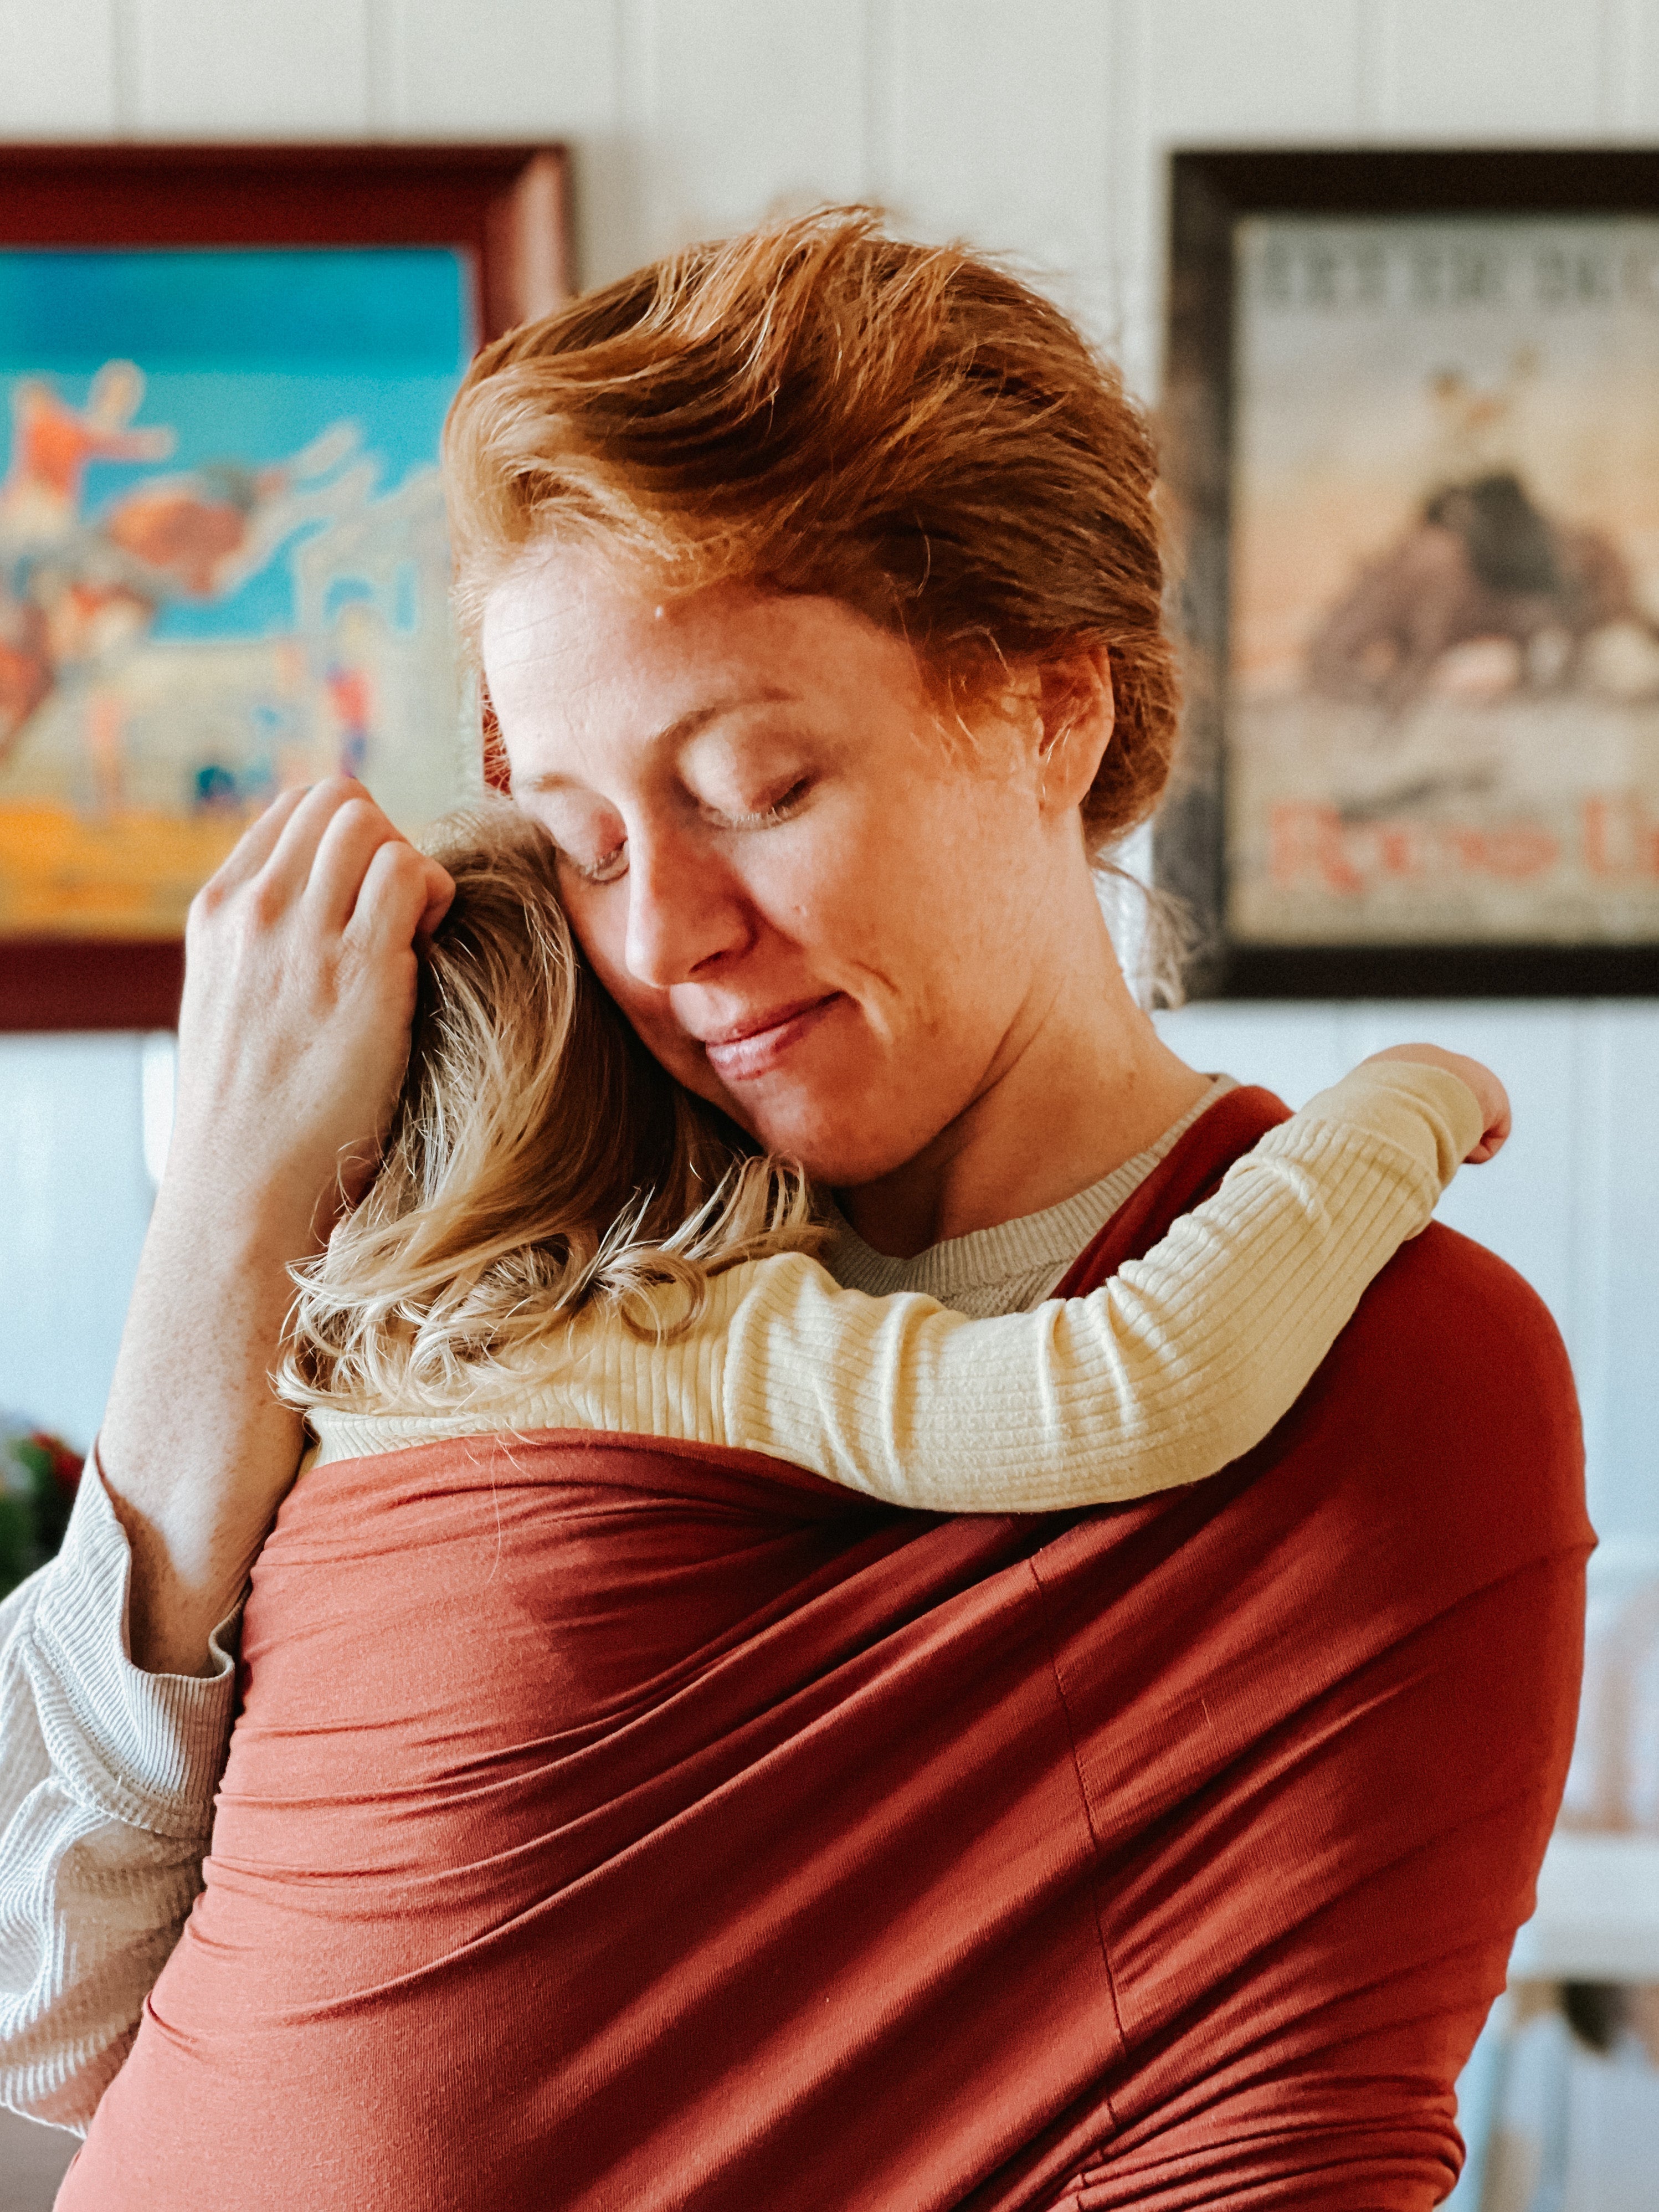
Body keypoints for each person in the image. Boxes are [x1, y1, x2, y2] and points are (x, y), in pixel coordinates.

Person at [1, 211, 1587, 2206]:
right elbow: (42, 2002)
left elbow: (1257, 2147)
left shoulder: (1376, 1359)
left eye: (757, 789)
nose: (666, 937)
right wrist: (226, 1214)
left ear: (1051, 711)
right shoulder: (519, 1247)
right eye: (581, 841)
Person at [43, 800, 1494, 2206]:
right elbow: (1137, 1385)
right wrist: (1403, 1101)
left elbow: (47, 2006)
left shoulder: (335, 1395)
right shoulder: (670, 1335)